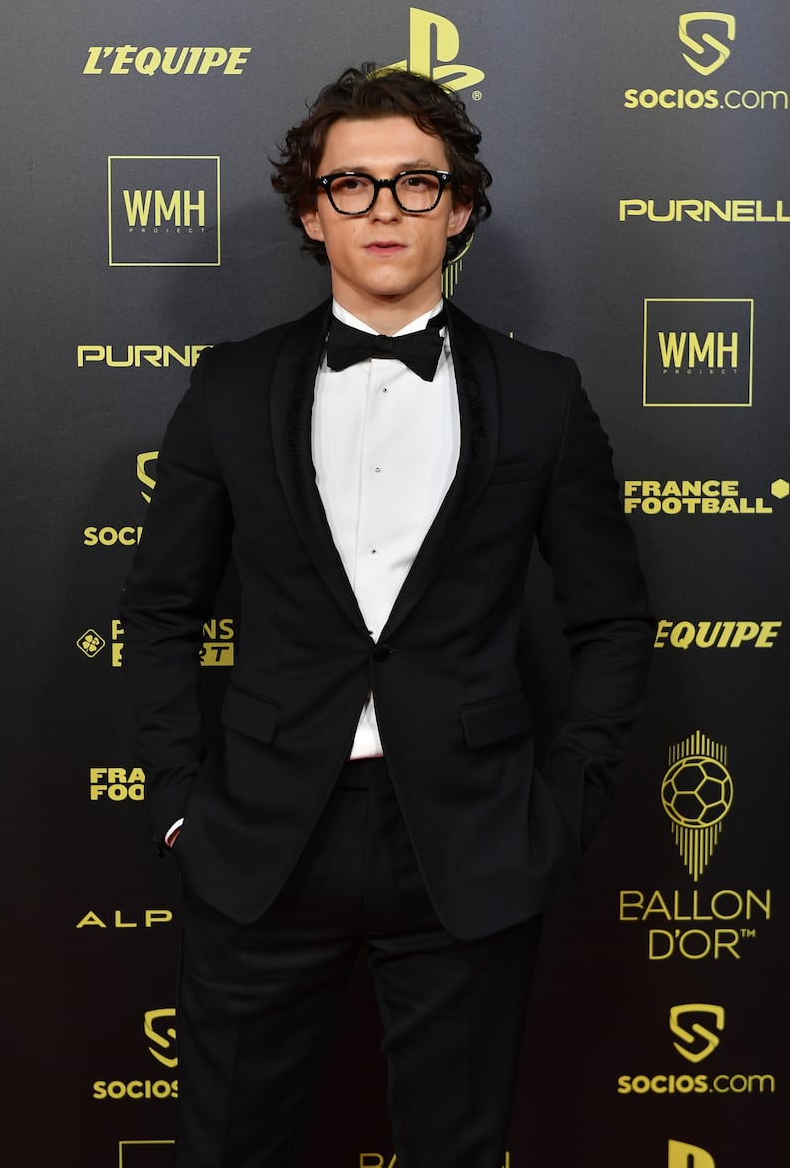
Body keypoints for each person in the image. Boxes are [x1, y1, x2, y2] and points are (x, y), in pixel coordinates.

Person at [121, 64, 653, 1168]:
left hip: (468, 840)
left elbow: (609, 619)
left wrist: (562, 806)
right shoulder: (228, 387)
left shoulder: (542, 393)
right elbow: (161, 607)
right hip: (261, 839)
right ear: (311, 212)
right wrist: (179, 801)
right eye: (351, 186)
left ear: (457, 207)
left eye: (415, 184)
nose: (383, 211)